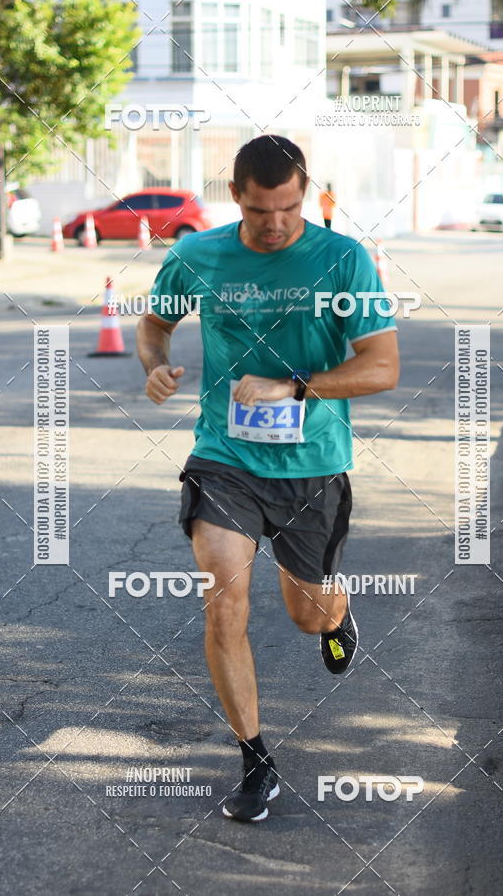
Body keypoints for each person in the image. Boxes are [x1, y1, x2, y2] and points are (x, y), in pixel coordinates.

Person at [136, 135, 399, 824]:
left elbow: (382, 366)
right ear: (236, 197)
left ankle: (337, 613)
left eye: (288, 208)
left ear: (305, 193)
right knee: (223, 599)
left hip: (313, 464)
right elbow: (154, 322)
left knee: (308, 612)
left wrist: (296, 385)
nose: (276, 223)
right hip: (225, 456)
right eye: (260, 211)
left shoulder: (343, 259)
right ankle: (255, 761)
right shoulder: (196, 255)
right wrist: (154, 364)